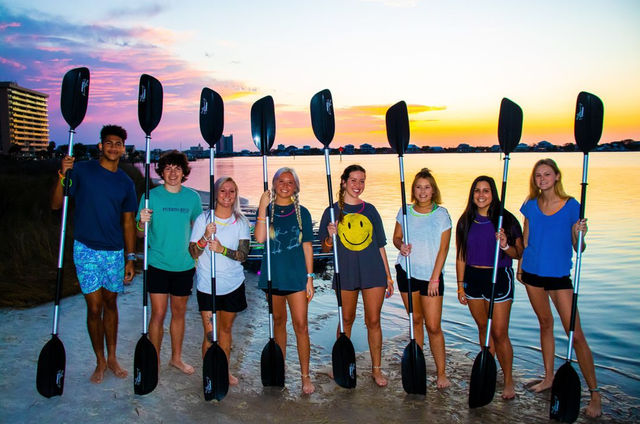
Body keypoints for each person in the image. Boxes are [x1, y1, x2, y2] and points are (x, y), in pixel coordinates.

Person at [51, 124, 137, 384]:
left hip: (114, 252)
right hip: (85, 248)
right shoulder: (82, 171)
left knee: (111, 304)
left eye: (118, 143)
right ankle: (99, 360)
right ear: (100, 146)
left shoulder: (126, 182)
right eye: (108, 142)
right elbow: (56, 205)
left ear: (123, 149)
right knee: (94, 307)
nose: (113, 147)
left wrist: (130, 258)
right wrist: (62, 176)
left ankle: (112, 357)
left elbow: (128, 222)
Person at [519, 158, 601, 417]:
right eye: (538, 175)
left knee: (575, 335)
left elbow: (580, 249)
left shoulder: (572, 206)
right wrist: (520, 268)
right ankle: (548, 378)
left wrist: (580, 234)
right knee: (545, 323)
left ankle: (595, 395)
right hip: (532, 273)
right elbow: (526, 239)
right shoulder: (530, 205)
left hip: (558, 277)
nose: (542, 179)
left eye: (546, 174)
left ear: (556, 176)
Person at [319, 164, 394, 387]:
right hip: (347, 273)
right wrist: (330, 236)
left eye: (362, 181)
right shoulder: (331, 212)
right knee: (346, 320)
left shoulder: (370, 210)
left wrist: (389, 277)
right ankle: (339, 365)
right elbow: (324, 249)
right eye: (353, 180)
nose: (358, 185)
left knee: (373, 320)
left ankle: (376, 369)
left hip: (373, 272)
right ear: (343, 182)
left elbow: (380, 245)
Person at [455, 176, 523, 399]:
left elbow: (519, 253)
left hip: (498, 276)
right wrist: (460, 286)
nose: (481, 195)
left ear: (493, 194)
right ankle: (488, 372)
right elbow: (461, 256)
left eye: (486, 191)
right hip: (473, 278)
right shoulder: (465, 221)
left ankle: (508, 381)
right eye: (477, 191)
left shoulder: (506, 219)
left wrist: (504, 244)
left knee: (500, 332)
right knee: (484, 328)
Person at [137, 150, 202, 375]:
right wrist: (141, 222)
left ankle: (176, 358)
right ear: (161, 172)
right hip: (157, 264)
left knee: (179, 312)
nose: (172, 172)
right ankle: (153, 360)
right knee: (158, 313)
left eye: (177, 168)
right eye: (167, 168)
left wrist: (198, 254)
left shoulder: (192, 198)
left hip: (184, 265)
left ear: (184, 172)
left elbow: (198, 228)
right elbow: (139, 232)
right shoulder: (150, 196)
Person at [254, 167, 315, 394]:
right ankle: (279, 370)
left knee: (301, 326)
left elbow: (308, 247)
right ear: (274, 183)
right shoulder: (267, 210)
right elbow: (259, 238)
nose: (285, 185)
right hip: (274, 277)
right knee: (278, 323)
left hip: (297, 277)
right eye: (281, 181)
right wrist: (262, 205)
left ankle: (305, 376)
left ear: (296, 187)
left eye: (290, 182)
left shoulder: (303, 213)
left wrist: (310, 278)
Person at [393, 168, 451, 388]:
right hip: (407, 272)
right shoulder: (405, 211)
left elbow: (444, 249)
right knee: (415, 321)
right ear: (413, 190)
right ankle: (417, 367)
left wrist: (435, 277)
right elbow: (396, 238)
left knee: (433, 326)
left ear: (433, 190)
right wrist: (401, 246)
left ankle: (442, 373)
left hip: (432, 277)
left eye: (427, 187)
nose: (423, 191)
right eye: (418, 187)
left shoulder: (441, 214)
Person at [189, 177, 250, 386]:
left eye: (232, 191)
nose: (227, 195)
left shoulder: (241, 221)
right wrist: (205, 238)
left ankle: (223, 371)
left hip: (233, 285)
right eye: (223, 191)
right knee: (210, 334)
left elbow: (243, 255)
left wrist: (222, 249)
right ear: (215, 194)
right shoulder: (203, 219)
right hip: (208, 286)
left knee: (225, 332)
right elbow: (192, 252)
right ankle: (209, 373)